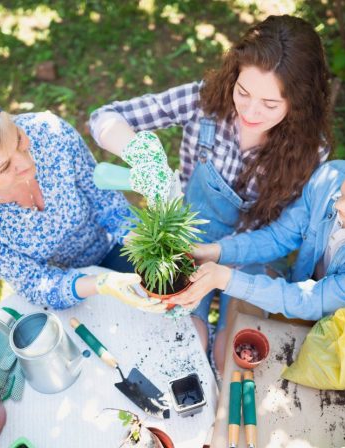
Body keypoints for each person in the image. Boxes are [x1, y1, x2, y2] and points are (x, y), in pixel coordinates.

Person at [88, 15, 332, 371]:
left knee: (230, 355)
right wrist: (138, 152)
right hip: (189, 244)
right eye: (243, 92)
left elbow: (283, 235)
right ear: (234, 75)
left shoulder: (312, 150)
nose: (250, 111)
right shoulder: (205, 101)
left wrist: (222, 258)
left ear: (299, 101)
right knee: (187, 344)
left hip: (253, 255)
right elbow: (103, 118)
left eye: (270, 104)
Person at [0, 88, 166, 313]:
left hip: (113, 245)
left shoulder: (48, 132)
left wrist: (143, 244)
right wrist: (101, 284)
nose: (26, 163)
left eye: (18, 139)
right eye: (4, 166)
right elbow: (34, 282)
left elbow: (107, 203)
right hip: (67, 290)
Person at [168, 150, 345, 337]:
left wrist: (226, 278)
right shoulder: (330, 178)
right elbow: (280, 236)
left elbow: (312, 302)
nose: (340, 205)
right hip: (300, 292)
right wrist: (215, 252)